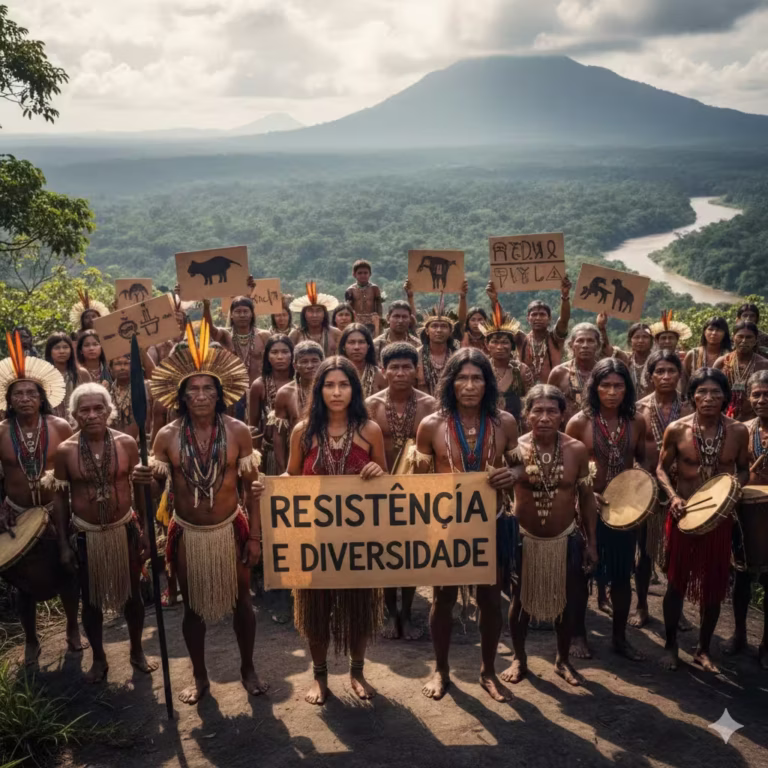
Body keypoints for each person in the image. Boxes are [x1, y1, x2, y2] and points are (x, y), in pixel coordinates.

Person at [138, 319, 266, 703]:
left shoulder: (239, 431)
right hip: (188, 533)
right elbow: (158, 491)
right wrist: (144, 478)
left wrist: (256, 537)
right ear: (180, 395)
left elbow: (252, 490)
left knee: (243, 602)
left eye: (208, 387)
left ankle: (248, 667)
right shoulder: (166, 436)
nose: (200, 394)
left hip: (231, 528)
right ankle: (199, 677)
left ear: (220, 391)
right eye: (192, 389)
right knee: (192, 609)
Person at [414, 348, 519, 702]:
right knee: (442, 598)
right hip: (446, 526)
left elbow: (520, 465)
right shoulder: (431, 425)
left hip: (492, 523)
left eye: (477, 378)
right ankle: (441, 669)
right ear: (451, 382)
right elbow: (418, 481)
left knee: (491, 599)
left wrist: (513, 473)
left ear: (488, 383)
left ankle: (488, 670)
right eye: (462, 378)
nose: (470, 385)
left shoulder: (505, 422)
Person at [283, 356, 387, 705]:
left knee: (359, 609)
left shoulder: (369, 430)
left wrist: (375, 469)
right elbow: (291, 477)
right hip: (314, 540)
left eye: (344, 385)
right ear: (319, 389)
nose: (337, 392)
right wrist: (268, 487)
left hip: (360, 540)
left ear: (355, 390)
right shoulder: (303, 432)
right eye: (329, 385)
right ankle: (320, 676)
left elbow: (387, 481)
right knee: (316, 611)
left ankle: (357, 672)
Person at [53, 383, 156, 682]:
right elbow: (60, 499)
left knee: (133, 595)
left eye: (99, 408)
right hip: (86, 535)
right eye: (84, 410)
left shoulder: (126, 443)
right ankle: (99, 657)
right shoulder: (65, 452)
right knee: (91, 598)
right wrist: (63, 544)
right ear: (74, 415)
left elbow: (139, 489)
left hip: (124, 529)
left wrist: (147, 530)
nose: (92, 415)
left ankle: (136, 650)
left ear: (109, 412)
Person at [501, 385, 598, 686]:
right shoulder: (513, 449)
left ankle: (562, 659)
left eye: (552, 411)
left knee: (568, 602)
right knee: (520, 602)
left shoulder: (576, 450)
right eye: (537, 411)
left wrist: (591, 542)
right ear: (526, 414)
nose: (544, 417)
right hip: (523, 538)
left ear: (562, 414)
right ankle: (519, 658)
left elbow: (586, 496)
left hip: (565, 538)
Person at [657, 368, 749, 673]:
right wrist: (673, 497)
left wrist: (732, 493)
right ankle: (671, 645)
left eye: (715, 393)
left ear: (726, 396)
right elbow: (660, 469)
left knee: (714, 586)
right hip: (684, 516)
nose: (708, 398)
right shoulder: (677, 429)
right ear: (692, 396)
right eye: (702, 392)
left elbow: (744, 469)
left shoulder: (737, 431)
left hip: (720, 521)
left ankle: (703, 649)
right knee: (675, 584)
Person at [0, 340, 83, 666]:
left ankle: (73, 628)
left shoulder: (60, 427)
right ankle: (31, 638)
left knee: (68, 571)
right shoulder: (1, 431)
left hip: (55, 512)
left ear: (42, 397)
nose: (24, 399)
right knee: (23, 583)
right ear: (8, 400)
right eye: (17, 394)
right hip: (17, 515)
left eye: (31, 393)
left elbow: (73, 472)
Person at [566, 359, 647, 660]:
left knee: (622, 576)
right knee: (579, 576)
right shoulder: (579, 422)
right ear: (594, 388)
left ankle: (619, 638)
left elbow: (646, 461)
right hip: (586, 509)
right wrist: (585, 492)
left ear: (628, 388)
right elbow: (568, 467)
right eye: (605, 385)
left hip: (624, 512)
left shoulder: (636, 422)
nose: (612, 392)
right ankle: (577, 635)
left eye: (619, 385)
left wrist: (638, 487)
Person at [365, 342, 437, 640]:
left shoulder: (431, 406)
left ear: (417, 370)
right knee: (381, 549)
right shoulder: (370, 405)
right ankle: (388, 612)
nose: (400, 372)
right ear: (383, 371)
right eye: (393, 367)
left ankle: (406, 612)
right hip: (377, 486)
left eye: (407, 366)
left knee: (409, 551)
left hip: (416, 488)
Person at [632, 350, 692, 628]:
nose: (666, 376)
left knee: (677, 554)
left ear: (680, 375)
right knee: (644, 552)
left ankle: (674, 609)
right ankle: (642, 604)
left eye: (671, 371)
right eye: (660, 371)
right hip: (648, 492)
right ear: (651, 376)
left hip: (683, 491)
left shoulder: (691, 409)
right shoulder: (638, 409)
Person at [722, 370, 768, 668]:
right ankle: (739, 633)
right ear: (749, 397)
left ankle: (766, 642)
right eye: (757, 394)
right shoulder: (741, 430)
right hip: (745, 514)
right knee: (740, 577)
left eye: (767, 394)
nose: (762, 400)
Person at [487, 275, 572, 384]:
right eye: (534, 315)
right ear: (528, 318)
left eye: (542, 315)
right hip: (525, 391)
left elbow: (564, 320)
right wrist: (494, 300)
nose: (538, 318)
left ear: (549, 318)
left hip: (552, 391)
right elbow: (505, 320)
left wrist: (565, 297)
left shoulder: (555, 338)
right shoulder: (522, 339)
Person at [204, 296, 271, 421]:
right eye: (238, 312)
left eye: (245, 311)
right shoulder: (226, 335)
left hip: (259, 391)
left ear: (252, 314)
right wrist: (207, 306)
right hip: (233, 394)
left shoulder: (263, 336)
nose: (242, 315)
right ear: (231, 315)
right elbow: (209, 330)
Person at [272, 341, 324, 474]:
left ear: (322, 362)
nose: (310, 366)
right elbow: (279, 435)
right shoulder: (285, 393)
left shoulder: (330, 389)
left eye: (314, 361)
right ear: (295, 365)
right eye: (304, 361)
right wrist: (283, 469)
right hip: (297, 457)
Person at [248, 335, 294, 476]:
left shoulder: (301, 382)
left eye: (285, 352)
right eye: (274, 352)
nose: (280, 357)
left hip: (298, 448)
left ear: (293, 355)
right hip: (270, 450)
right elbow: (253, 425)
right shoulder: (259, 385)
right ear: (267, 356)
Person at [481, 304, 534, 427]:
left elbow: (530, 401)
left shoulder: (521, 370)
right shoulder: (481, 368)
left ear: (512, 345)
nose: (500, 347)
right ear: (487, 344)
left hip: (516, 427)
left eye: (505, 342)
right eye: (494, 342)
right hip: (486, 425)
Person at [548, 322, 601, 424]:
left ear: (597, 345)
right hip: (565, 431)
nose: (585, 345)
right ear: (571, 345)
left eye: (590, 341)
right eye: (580, 341)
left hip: (597, 430)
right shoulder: (559, 373)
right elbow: (548, 405)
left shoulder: (604, 373)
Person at [714, 321, 768, 421]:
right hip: (724, 418)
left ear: (756, 339)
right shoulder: (722, 362)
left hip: (755, 419)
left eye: (749, 337)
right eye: (740, 336)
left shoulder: (764, 364)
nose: (744, 341)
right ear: (733, 337)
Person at [416, 298, 460, 397]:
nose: (439, 330)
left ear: (450, 331)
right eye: (434, 326)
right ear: (427, 331)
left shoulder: (458, 357)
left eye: (444, 326)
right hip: (424, 408)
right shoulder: (415, 355)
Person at [44, 332, 90, 424]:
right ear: (50, 351)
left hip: (78, 423)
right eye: (57, 348)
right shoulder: (43, 376)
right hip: (51, 424)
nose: (62, 351)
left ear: (71, 350)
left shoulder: (82, 373)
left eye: (65, 347)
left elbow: (90, 399)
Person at [289, 282, 341, 357]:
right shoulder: (295, 335)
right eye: (310, 311)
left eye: (319, 310)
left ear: (324, 314)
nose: (314, 315)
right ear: (304, 314)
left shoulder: (336, 333)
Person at [107, 355, 152, 440]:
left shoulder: (147, 387)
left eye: (127, 363)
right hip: (116, 442)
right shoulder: (107, 392)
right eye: (118, 364)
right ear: (110, 368)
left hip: (143, 441)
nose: (122, 368)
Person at [338, 323, 387, 398]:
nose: (356, 347)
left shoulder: (379, 375)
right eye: (351, 342)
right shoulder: (335, 373)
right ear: (343, 347)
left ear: (368, 346)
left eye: (361, 342)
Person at [683, 316, 731, 387]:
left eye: (719, 330)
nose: (714, 333)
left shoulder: (729, 356)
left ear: (724, 334)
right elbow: (684, 379)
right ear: (704, 332)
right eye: (710, 329)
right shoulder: (693, 354)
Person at [612, 323, 654, 401]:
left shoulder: (657, 361)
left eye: (645, 337)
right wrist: (602, 327)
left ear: (651, 340)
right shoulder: (626, 360)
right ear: (630, 340)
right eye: (636, 337)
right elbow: (605, 348)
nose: (640, 341)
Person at [345, 260, 383, 335]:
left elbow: (379, 305)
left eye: (365, 273)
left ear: (370, 274)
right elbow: (349, 308)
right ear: (354, 274)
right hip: (356, 321)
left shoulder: (374, 288)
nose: (363, 275)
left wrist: (379, 320)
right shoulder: (350, 290)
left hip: (372, 321)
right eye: (360, 273)